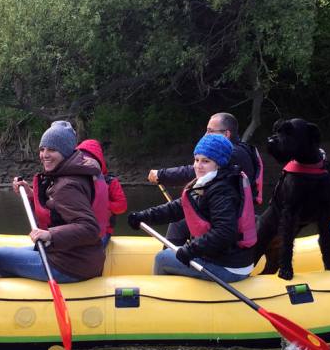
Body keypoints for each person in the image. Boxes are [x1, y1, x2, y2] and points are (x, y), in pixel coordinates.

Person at [128, 133, 256, 282]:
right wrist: (143, 216)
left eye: (205, 161)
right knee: (173, 252)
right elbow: (176, 208)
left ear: (219, 163)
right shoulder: (213, 181)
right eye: (196, 160)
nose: (198, 166)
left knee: (162, 258)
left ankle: (165, 301)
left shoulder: (222, 190)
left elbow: (225, 232)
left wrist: (191, 249)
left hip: (229, 266)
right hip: (225, 258)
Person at [0, 121, 106, 283]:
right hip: (81, 257)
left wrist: (50, 234)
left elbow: (89, 228)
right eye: (42, 149)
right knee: (22, 251)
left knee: (0, 255)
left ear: (66, 152)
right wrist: (32, 195)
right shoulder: (76, 173)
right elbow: (58, 209)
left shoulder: (67, 185)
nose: (44, 155)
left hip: (71, 265)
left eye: (52, 150)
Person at [146, 112, 263, 244]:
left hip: (230, 214)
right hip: (233, 209)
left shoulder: (230, 154)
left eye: (210, 131)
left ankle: (171, 261)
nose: (206, 135)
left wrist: (161, 175)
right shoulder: (242, 150)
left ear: (226, 134)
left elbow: (193, 171)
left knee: (179, 221)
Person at [76, 138, 127, 244]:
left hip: (103, 231)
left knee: (91, 249)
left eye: (88, 159)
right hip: (80, 228)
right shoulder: (76, 180)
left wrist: (104, 205)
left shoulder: (111, 181)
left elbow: (122, 206)